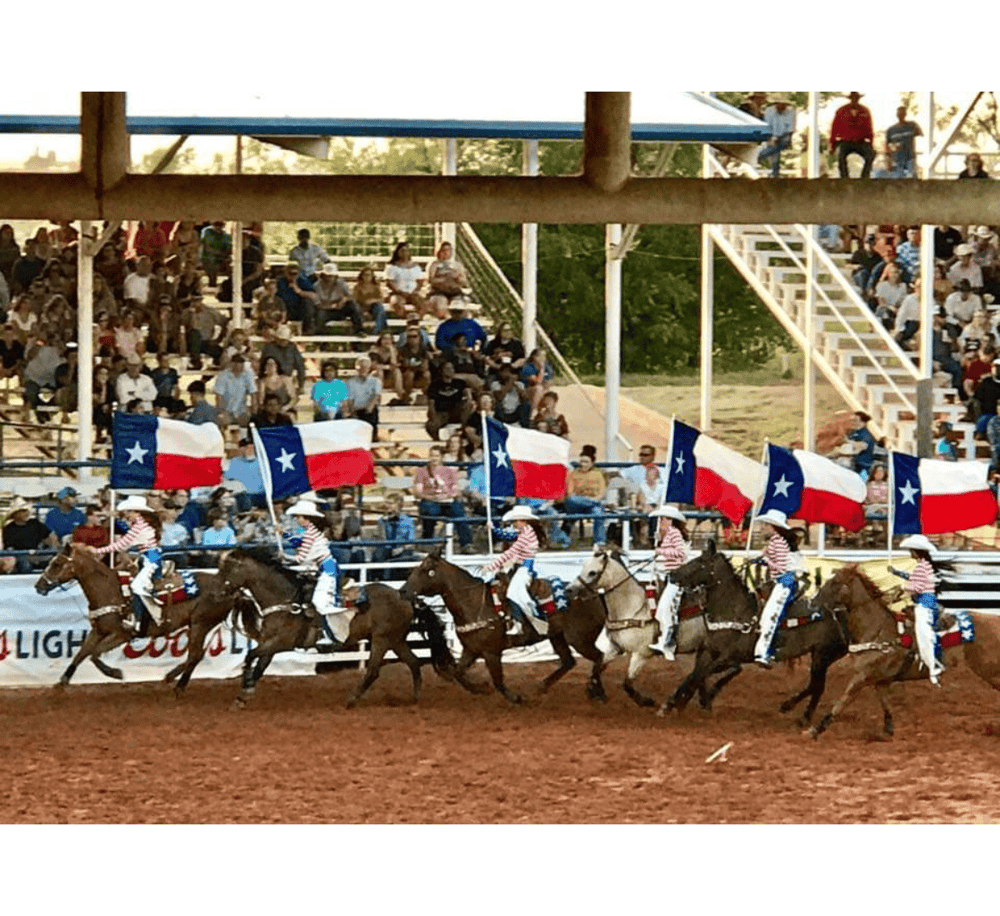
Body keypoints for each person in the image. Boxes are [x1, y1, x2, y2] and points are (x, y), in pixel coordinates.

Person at [87, 494, 163, 632]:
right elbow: (121, 522)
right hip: (150, 555)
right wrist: (111, 514)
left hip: (150, 557)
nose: (126, 515)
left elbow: (122, 545)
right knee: (137, 585)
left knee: (137, 586)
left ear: (135, 512)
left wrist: (98, 550)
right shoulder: (140, 524)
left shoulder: (138, 526)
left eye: (128, 512)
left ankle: (143, 619)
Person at [284, 498, 348, 642]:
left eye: (298, 516)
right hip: (327, 566)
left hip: (327, 568)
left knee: (320, 601)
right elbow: (299, 543)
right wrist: (283, 533)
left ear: (304, 517)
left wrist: (284, 555)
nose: (296, 519)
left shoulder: (309, 533)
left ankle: (331, 634)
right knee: (320, 601)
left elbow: (300, 557)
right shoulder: (310, 531)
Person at [889, 534, 945, 686]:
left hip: (925, 603)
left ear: (916, 552)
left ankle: (933, 668)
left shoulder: (923, 566)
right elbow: (914, 579)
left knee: (923, 633)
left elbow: (916, 587)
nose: (910, 553)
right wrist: (897, 572)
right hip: (926, 601)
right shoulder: (924, 565)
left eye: (911, 551)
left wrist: (901, 590)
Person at [481, 505, 546, 635]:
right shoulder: (523, 531)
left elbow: (511, 553)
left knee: (513, 594)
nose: (514, 523)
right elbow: (507, 534)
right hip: (518, 565)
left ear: (522, 521)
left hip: (524, 568)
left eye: (516, 521)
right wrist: (493, 529)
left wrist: (492, 566)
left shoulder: (526, 535)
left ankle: (519, 623)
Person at [752, 508, 804, 667]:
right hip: (783, 580)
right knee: (769, 615)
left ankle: (764, 653)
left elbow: (780, 568)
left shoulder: (778, 542)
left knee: (771, 615)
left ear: (773, 527)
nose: (764, 528)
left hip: (785, 581)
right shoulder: (777, 541)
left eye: (766, 525)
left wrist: (766, 559)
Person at [647, 504, 693, 659]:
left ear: (671, 521)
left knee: (666, 609)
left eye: (664, 519)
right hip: (670, 575)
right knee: (664, 610)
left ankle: (667, 645)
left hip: (677, 577)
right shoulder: (668, 535)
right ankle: (665, 644)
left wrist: (660, 550)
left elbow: (680, 554)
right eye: (661, 519)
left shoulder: (674, 534)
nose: (661, 522)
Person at [413, 445, 474, 552]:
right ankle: (427, 540)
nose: (434, 458)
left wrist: (450, 495)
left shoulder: (450, 471)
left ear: (442, 457)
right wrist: (430, 496)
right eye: (432, 455)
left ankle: (466, 543)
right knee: (430, 510)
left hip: (447, 501)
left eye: (436, 456)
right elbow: (418, 491)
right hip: (430, 500)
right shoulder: (422, 471)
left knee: (459, 511)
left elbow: (455, 490)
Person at [561, 445, 607, 546]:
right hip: (576, 505)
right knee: (572, 499)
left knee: (598, 512)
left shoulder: (598, 475)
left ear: (592, 463)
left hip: (592, 504)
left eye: (586, 462)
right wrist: (590, 500)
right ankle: (593, 503)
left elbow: (601, 493)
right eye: (582, 462)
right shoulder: (574, 474)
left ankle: (599, 542)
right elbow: (570, 493)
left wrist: (593, 500)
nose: (583, 464)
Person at [370, 492, 417, 582]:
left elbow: (411, 541)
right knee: (378, 553)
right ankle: (378, 580)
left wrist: (401, 548)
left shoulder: (407, 521)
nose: (388, 506)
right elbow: (379, 539)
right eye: (387, 503)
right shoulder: (383, 520)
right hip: (387, 548)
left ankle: (393, 580)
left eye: (391, 504)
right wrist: (383, 524)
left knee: (402, 557)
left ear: (398, 505)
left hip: (403, 549)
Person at [2, 496, 57, 572]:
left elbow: (49, 536)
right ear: (16, 514)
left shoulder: (35, 523)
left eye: (26, 511)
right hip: (21, 555)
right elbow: (10, 549)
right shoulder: (9, 529)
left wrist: (53, 549)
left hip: (38, 552)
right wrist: (28, 556)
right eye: (23, 511)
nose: (26, 513)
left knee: (54, 561)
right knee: (25, 564)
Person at [830, 91, 875, 179]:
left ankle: (865, 176)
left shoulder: (865, 111)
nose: (855, 100)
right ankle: (844, 177)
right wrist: (832, 145)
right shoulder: (841, 111)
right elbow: (834, 128)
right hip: (845, 141)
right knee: (841, 156)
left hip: (860, 141)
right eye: (853, 98)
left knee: (870, 155)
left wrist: (871, 142)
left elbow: (869, 127)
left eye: (856, 98)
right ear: (850, 99)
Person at [313, 263, 364, 335]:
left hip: (341, 309)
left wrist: (343, 300)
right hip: (325, 311)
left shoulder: (341, 283)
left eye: (331, 276)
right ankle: (322, 337)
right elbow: (317, 304)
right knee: (319, 315)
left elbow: (350, 296)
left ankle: (359, 330)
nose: (329, 278)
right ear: (322, 276)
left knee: (353, 305)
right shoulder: (317, 286)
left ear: (335, 276)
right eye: (327, 276)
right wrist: (331, 306)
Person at [425, 361, 471, 441]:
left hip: (457, 412)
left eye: (452, 368)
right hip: (442, 413)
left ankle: (463, 433)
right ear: (441, 370)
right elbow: (431, 404)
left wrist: (468, 401)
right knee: (430, 425)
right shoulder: (434, 385)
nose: (450, 370)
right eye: (447, 368)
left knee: (470, 405)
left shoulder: (460, 383)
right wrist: (434, 418)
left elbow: (469, 397)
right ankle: (437, 440)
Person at [426, 241, 470, 319]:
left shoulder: (457, 265)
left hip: (454, 291)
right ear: (438, 251)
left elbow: (464, 282)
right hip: (438, 292)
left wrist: (457, 278)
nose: (446, 252)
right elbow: (430, 280)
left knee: (460, 307)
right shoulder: (434, 264)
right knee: (440, 305)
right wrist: (444, 279)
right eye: (443, 250)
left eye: (448, 250)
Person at [756, 94, 796, 178]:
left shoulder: (791, 112)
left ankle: (759, 156)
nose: (782, 106)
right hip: (771, 134)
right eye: (780, 104)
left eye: (783, 104)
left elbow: (790, 129)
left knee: (779, 145)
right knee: (775, 152)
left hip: (784, 135)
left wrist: (786, 139)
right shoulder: (769, 111)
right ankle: (775, 173)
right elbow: (767, 126)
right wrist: (772, 138)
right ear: (776, 104)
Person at [213, 353, 257, 428]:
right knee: (222, 420)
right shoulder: (223, 375)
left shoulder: (248, 374)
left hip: (241, 411)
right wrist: (220, 412)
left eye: (242, 363)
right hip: (226, 410)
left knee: (249, 421)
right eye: (237, 363)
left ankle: (244, 438)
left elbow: (253, 393)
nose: (240, 365)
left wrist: (254, 411)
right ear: (232, 363)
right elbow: (218, 397)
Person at [385, 241, 428, 318]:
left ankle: (416, 320)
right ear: (397, 252)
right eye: (402, 251)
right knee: (396, 304)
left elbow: (420, 282)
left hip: (413, 293)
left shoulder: (415, 266)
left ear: (409, 252)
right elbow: (389, 282)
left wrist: (414, 291)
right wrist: (399, 292)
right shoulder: (392, 267)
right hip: (398, 293)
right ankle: (406, 319)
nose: (404, 253)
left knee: (423, 304)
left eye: (406, 250)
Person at [223, 437, 266, 511]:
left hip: (263, 495)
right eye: (246, 448)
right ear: (240, 449)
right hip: (245, 496)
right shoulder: (233, 463)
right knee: (243, 499)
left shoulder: (262, 462)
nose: (249, 450)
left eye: (251, 447)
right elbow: (225, 479)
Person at [260, 324, 306, 391]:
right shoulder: (269, 348)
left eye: (285, 340)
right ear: (277, 338)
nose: (284, 342)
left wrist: (301, 385)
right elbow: (262, 366)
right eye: (282, 340)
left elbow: (300, 366)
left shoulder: (292, 348)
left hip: (287, 380)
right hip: (270, 381)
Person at [276, 261, 318, 334]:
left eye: (295, 274)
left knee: (308, 302)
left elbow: (313, 295)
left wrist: (299, 291)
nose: (292, 276)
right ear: (285, 273)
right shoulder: (280, 281)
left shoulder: (302, 280)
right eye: (290, 274)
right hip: (284, 307)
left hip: (299, 308)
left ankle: (307, 329)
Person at [342, 357, 382, 432]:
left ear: (369, 368)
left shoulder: (375, 381)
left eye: (365, 367)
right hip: (356, 410)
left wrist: (368, 410)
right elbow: (350, 399)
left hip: (369, 410)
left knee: (370, 415)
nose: (363, 369)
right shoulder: (351, 382)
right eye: (361, 367)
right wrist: (352, 412)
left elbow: (376, 396)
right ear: (357, 369)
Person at [885, 106, 923, 178]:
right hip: (897, 159)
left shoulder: (912, 125)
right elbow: (887, 147)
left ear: (905, 114)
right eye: (899, 113)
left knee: (911, 179)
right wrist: (888, 162)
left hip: (910, 158)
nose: (901, 115)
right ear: (897, 115)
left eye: (903, 113)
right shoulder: (891, 130)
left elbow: (919, 133)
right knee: (898, 180)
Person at [352, 266, 389, 335]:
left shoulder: (376, 286)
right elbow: (355, 301)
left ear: (372, 276)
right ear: (362, 276)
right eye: (365, 274)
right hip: (361, 308)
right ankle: (383, 329)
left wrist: (372, 300)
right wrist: (364, 311)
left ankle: (377, 331)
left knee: (380, 307)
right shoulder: (357, 287)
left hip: (374, 308)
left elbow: (381, 299)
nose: (367, 277)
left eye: (369, 275)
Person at [200, 221, 232, 287]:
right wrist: (218, 253)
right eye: (216, 225)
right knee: (211, 260)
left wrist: (223, 254)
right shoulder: (207, 231)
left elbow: (228, 249)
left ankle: (230, 283)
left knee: (229, 261)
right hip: (208, 256)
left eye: (220, 225)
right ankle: (212, 282)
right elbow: (206, 247)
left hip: (222, 257)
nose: (218, 227)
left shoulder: (226, 235)